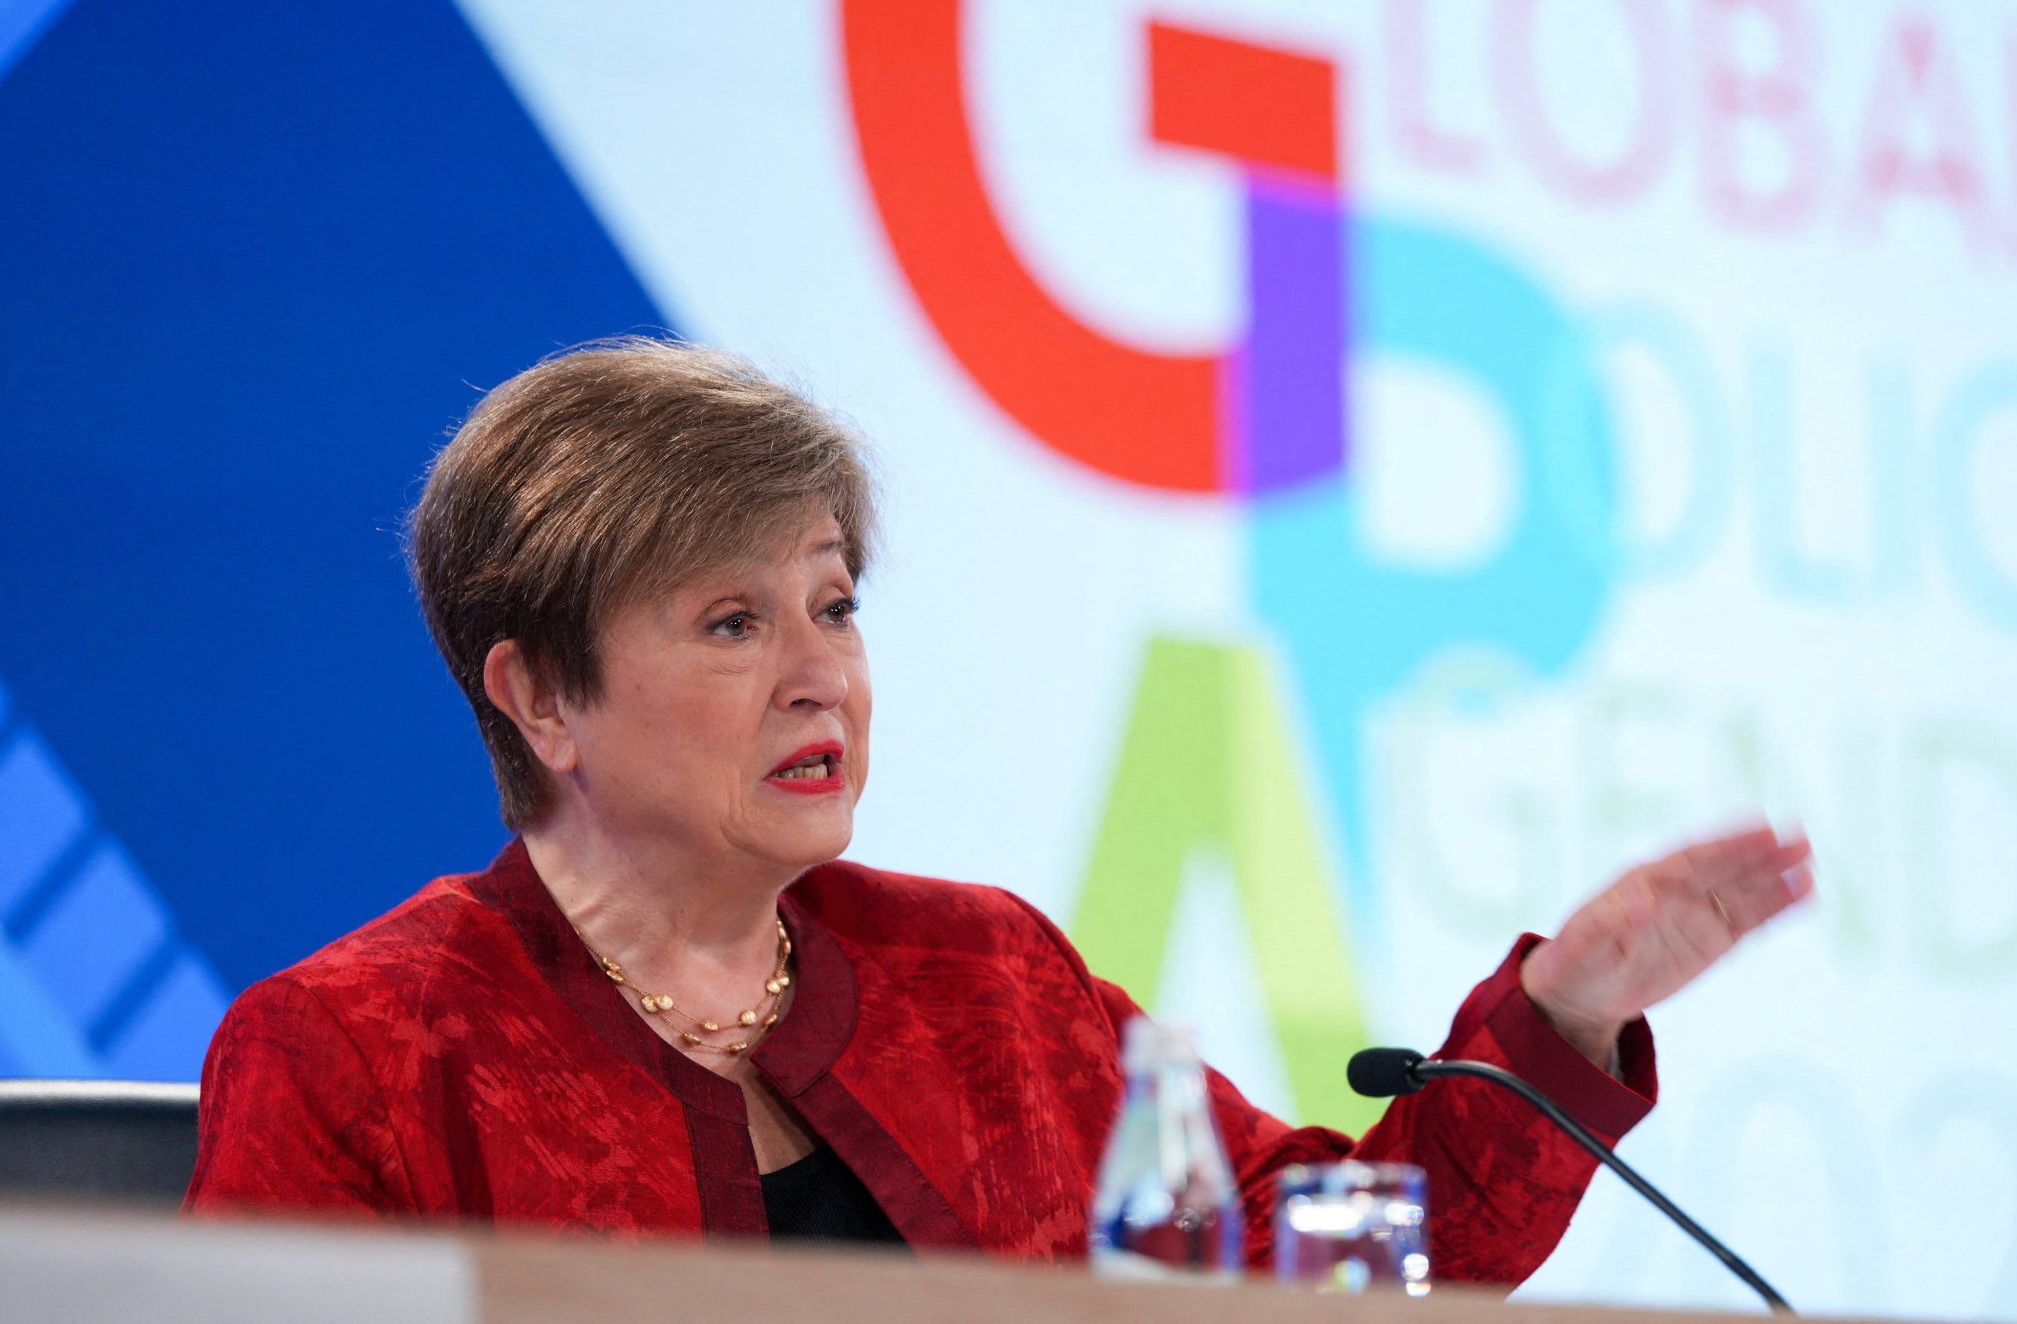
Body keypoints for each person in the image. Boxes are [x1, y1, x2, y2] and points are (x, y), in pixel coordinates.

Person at [184, 339, 1814, 1279]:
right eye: (734, 622)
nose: (820, 674)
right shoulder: (359, 1052)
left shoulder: (986, 982)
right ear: (542, 695)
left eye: (835, 604)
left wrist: (1561, 1015)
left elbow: (1315, 1269)